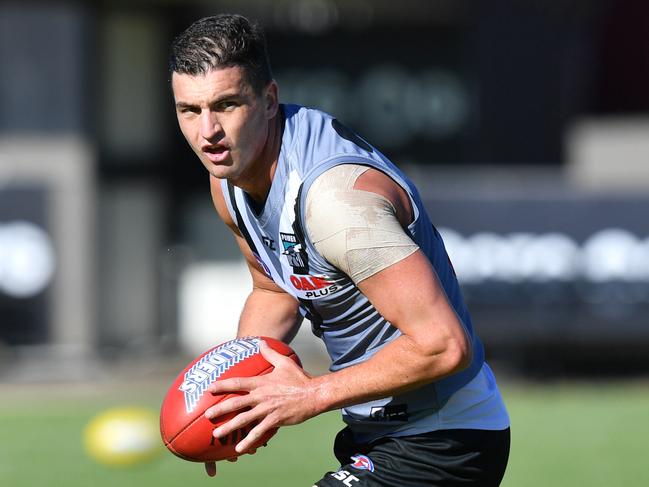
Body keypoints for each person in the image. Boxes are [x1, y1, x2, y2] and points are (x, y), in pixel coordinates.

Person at [169, 13, 510, 486]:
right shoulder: (228, 179)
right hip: (374, 433)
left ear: (268, 100)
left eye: (226, 105)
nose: (208, 132)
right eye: (190, 110)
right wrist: (238, 396)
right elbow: (274, 289)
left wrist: (308, 395)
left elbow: (445, 346)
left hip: (445, 438)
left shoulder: (336, 203)